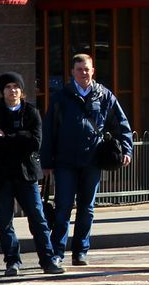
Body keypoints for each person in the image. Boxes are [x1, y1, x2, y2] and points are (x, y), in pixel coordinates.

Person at [41, 53, 133, 267]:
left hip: (92, 161)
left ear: (93, 71)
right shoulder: (60, 97)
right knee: (63, 207)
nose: (83, 73)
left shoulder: (104, 95)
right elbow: (49, 131)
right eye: (79, 69)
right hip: (65, 162)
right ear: (72, 72)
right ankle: (57, 253)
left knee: (87, 208)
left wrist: (127, 150)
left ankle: (80, 251)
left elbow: (122, 124)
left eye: (87, 69)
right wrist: (46, 163)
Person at [0, 72, 64, 276]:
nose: (13, 90)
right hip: (2, 176)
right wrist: (20, 138)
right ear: (2, 91)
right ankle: (12, 261)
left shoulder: (31, 112)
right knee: (4, 221)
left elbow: (35, 143)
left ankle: (47, 260)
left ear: (22, 90)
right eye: (8, 87)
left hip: (27, 175)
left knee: (38, 218)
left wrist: (7, 137)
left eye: (16, 86)